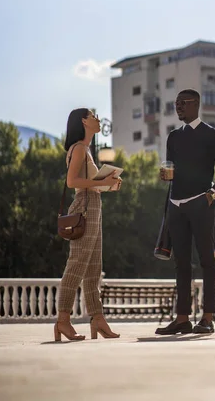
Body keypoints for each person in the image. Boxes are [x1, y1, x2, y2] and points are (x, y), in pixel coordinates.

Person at [155, 89, 215, 335]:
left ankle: (207, 318)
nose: (178, 107)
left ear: (195, 105)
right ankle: (182, 319)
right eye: (176, 103)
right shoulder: (173, 137)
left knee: (207, 261)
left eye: (182, 103)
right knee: (181, 263)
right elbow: (171, 169)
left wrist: (213, 193)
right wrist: (166, 175)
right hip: (176, 205)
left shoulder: (211, 135)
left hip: (201, 203)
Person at [55, 108, 122, 342]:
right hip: (84, 206)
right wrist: (101, 182)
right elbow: (72, 181)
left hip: (93, 205)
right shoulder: (81, 148)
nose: (98, 119)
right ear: (84, 121)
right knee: (77, 265)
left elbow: (92, 184)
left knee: (93, 269)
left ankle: (97, 318)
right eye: (94, 116)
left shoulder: (86, 149)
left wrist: (109, 184)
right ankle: (63, 320)